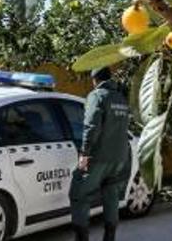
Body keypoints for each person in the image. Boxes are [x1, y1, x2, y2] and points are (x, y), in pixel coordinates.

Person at [69, 67, 131, 241]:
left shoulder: (97, 96)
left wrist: (84, 153)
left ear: (94, 79)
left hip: (99, 157)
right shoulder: (121, 98)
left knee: (79, 194)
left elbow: (91, 126)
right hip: (119, 157)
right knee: (111, 196)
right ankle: (109, 237)